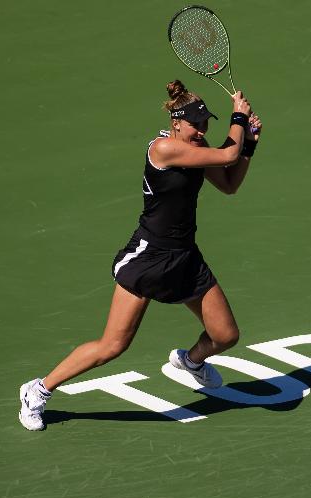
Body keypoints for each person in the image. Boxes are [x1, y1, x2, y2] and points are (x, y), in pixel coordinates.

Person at [18, 80, 262, 431]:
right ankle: (38, 390)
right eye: (196, 124)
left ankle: (191, 362)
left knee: (225, 336)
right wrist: (238, 118)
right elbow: (227, 155)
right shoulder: (163, 149)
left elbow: (228, 183)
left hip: (185, 258)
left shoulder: (197, 146)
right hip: (149, 258)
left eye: (207, 123)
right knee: (113, 346)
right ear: (177, 122)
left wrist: (249, 143)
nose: (203, 130)